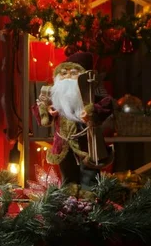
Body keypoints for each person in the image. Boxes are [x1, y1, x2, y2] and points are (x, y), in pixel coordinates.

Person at [35, 52, 114, 189]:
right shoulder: (54, 95)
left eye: (73, 73)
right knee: (67, 173)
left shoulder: (89, 95)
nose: (67, 77)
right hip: (63, 144)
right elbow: (41, 113)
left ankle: (89, 195)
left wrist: (91, 111)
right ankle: (69, 195)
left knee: (89, 174)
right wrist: (47, 110)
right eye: (64, 73)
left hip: (86, 143)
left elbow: (106, 105)